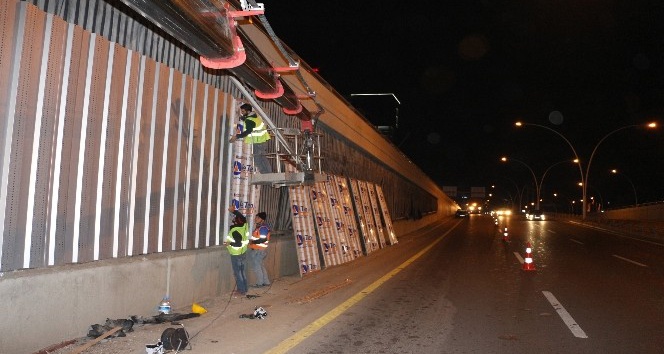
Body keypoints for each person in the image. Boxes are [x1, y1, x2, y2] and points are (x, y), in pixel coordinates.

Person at [229, 103, 272, 173]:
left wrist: (236, 136)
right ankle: (269, 174)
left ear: (248, 112)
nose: (242, 113)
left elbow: (248, 131)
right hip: (263, 140)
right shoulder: (255, 116)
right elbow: (249, 120)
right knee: (263, 158)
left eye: (243, 112)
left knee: (258, 160)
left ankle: (266, 175)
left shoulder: (249, 120)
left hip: (258, 142)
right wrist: (242, 117)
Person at [225, 206, 249, 296]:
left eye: (234, 219)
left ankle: (241, 290)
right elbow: (242, 217)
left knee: (238, 273)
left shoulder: (235, 231)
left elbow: (237, 244)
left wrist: (229, 244)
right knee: (242, 271)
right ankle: (245, 288)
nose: (233, 220)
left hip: (236, 254)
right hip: (243, 252)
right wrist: (234, 211)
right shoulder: (245, 226)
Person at [249, 211, 271, 287]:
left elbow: (263, 240)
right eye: (256, 217)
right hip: (259, 250)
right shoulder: (260, 227)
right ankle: (266, 282)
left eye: (258, 217)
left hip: (259, 250)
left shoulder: (263, 228)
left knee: (257, 267)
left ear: (262, 219)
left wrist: (252, 242)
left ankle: (260, 283)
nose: (256, 219)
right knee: (261, 266)